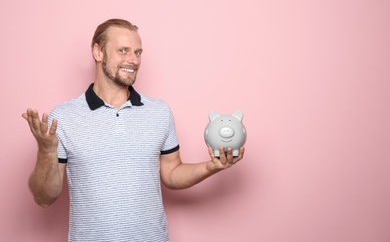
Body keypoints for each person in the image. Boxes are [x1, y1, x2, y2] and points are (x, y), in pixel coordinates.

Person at [22, 18, 244, 242]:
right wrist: (46, 151)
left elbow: (172, 173)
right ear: (98, 52)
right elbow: (44, 198)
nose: (133, 60)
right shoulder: (64, 117)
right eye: (123, 50)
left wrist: (212, 166)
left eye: (138, 52)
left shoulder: (159, 112)